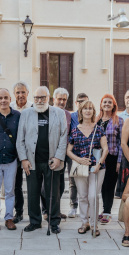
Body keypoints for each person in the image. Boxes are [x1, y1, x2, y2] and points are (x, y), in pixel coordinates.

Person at [16, 86, 68, 234]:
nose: (39, 100)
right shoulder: (26, 114)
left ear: (48, 98)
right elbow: (20, 139)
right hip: (32, 161)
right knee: (32, 193)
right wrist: (24, 159)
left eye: (42, 97)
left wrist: (58, 157)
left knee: (53, 194)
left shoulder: (59, 113)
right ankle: (34, 221)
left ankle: (54, 222)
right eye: (37, 98)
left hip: (52, 161)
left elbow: (64, 137)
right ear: (33, 98)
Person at [67, 100, 109, 235]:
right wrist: (78, 159)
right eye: (85, 108)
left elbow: (106, 149)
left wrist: (99, 164)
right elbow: (68, 150)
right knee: (83, 196)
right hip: (80, 168)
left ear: (93, 112)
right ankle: (84, 222)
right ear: (81, 111)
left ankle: (94, 224)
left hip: (97, 168)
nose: (88, 111)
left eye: (90, 108)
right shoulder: (74, 130)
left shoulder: (99, 128)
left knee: (93, 196)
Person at [0, 88, 20, 231]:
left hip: (11, 159)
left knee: (10, 191)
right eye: (0, 98)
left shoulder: (18, 116)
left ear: (10, 99)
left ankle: (8, 218)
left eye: (6, 97)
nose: (3, 100)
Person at [41, 88, 72, 221]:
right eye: (59, 99)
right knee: (45, 185)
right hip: (46, 154)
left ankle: (55, 210)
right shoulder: (46, 112)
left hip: (62, 154)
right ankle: (46, 210)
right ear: (53, 99)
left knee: (60, 185)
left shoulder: (68, 115)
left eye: (64, 99)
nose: (62, 101)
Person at [97, 94, 123, 225]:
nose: (106, 104)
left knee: (109, 185)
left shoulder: (119, 120)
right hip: (97, 157)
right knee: (99, 184)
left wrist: (119, 161)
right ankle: (101, 210)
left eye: (109, 102)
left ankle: (107, 212)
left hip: (112, 157)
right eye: (104, 102)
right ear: (101, 104)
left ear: (113, 105)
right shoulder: (96, 119)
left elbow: (121, 143)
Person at [10, 81, 33, 224]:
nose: (20, 95)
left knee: (34, 183)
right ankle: (18, 212)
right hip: (15, 151)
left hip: (31, 151)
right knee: (16, 184)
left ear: (27, 93)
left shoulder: (33, 107)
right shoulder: (10, 107)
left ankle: (40, 211)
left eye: (23, 92)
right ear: (14, 94)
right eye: (18, 92)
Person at [67, 93, 89, 218]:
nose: (82, 103)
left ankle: (85, 207)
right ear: (76, 103)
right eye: (79, 101)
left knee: (87, 180)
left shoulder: (91, 116)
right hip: (74, 153)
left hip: (87, 154)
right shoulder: (71, 116)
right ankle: (73, 206)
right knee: (73, 181)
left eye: (85, 101)